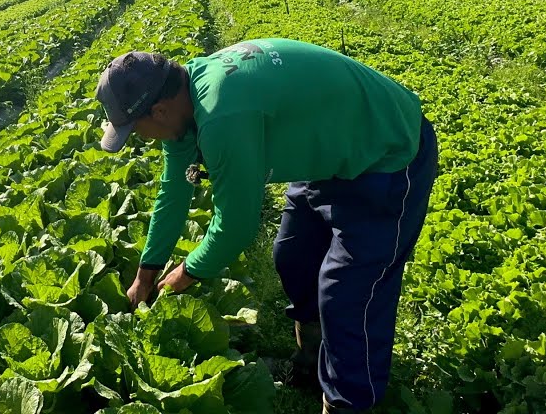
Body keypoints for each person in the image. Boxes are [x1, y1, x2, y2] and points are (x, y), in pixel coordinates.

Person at [94, 38, 438, 413]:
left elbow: (235, 227)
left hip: (386, 151)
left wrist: (185, 274)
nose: (141, 138)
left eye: (136, 129)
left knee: (349, 295)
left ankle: (347, 400)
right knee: (294, 256)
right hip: (331, 150)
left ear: (158, 111)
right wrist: (146, 272)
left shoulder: (221, 115)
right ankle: (312, 359)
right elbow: (174, 191)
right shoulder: (184, 103)